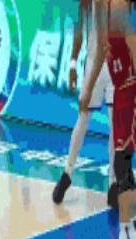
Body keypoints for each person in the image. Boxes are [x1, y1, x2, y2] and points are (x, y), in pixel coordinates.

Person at [80, 0, 136, 239]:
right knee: (123, 164)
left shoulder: (119, 9)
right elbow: (101, 55)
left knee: (122, 163)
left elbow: (133, 50)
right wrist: (88, 88)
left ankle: (126, 228)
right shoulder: (103, 14)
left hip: (130, 93)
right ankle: (129, 225)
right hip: (122, 95)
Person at [53, 0, 117, 208]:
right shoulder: (87, 4)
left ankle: (112, 182)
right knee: (84, 120)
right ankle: (68, 173)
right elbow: (80, 30)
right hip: (95, 65)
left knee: (114, 126)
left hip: (112, 66)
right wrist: (73, 64)